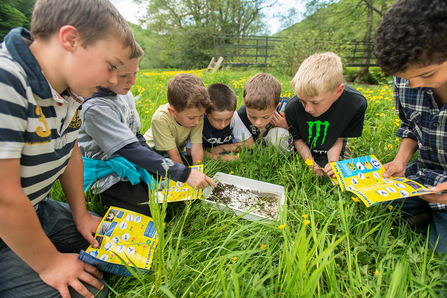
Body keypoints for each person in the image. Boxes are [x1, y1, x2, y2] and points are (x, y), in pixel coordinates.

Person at [0, 0, 137, 297]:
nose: (114, 79)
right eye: (112, 66)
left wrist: (81, 215)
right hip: (4, 223)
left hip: (35, 210)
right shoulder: (6, 80)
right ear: (70, 39)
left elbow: (70, 152)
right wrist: (49, 263)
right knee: (87, 291)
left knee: (119, 245)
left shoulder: (69, 90)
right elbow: (3, 197)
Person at [78, 45, 216, 216]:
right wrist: (183, 173)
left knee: (167, 190)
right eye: (125, 75)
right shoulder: (95, 108)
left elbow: (137, 137)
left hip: (131, 161)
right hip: (105, 173)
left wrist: (176, 172)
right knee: (154, 211)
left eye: (135, 73)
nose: (133, 81)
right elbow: (128, 148)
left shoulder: (124, 92)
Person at [374, 0, 447, 253]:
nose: (413, 85)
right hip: (421, 178)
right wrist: (400, 161)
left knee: (435, 254)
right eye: (406, 77)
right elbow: (410, 126)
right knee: (374, 211)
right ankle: (426, 217)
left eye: (427, 75)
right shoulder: (407, 77)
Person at [285, 52, 367, 176]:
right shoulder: (293, 107)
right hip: (304, 146)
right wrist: (311, 164)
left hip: (332, 146)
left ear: (338, 91)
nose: (308, 108)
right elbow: (298, 140)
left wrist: (333, 162)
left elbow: (339, 137)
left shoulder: (355, 104)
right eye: (302, 101)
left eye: (315, 102)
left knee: (338, 171)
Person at [144, 73, 212, 166]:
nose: (197, 121)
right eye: (191, 118)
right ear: (172, 112)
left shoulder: (196, 116)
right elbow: (174, 155)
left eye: (200, 116)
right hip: (152, 152)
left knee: (189, 161)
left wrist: (199, 170)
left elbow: (196, 148)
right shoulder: (160, 119)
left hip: (175, 151)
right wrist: (187, 177)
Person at [186, 83, 254, 161]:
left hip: (226, 148)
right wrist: (220, 158)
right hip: (205, 150)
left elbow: (250, 143)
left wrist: (221, 148)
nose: (223, 125)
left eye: (228, 119)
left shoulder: (234, 116)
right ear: (205, 112)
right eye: (217, 120)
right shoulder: (199, 119)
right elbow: (190, 150)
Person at [233, 73, 291, 151]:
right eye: (252, 116)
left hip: (278, 149)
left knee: (278, 135)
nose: (258, 122)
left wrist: (287, 126)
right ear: (245, 104)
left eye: (265, 117)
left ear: (277, 106)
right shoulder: (240, 115)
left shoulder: (286, 109)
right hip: (256, 149)